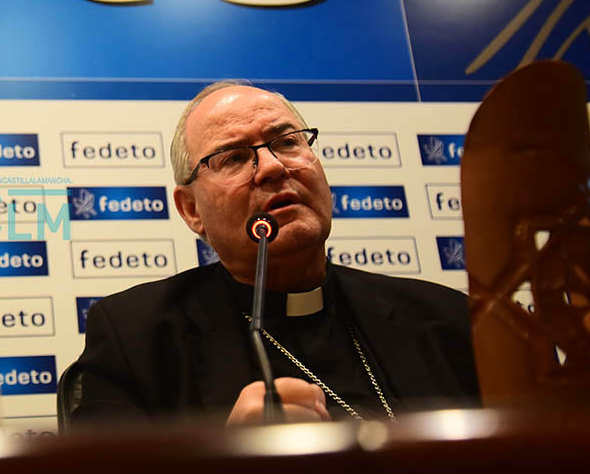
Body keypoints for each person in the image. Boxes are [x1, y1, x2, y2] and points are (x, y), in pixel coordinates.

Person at [70, 82, 478, 426]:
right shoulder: (135, 338)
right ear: (191, 210)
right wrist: (227, 465)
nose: (272, 167)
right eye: (234, 157)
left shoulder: (447, 318)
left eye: (286, 142)